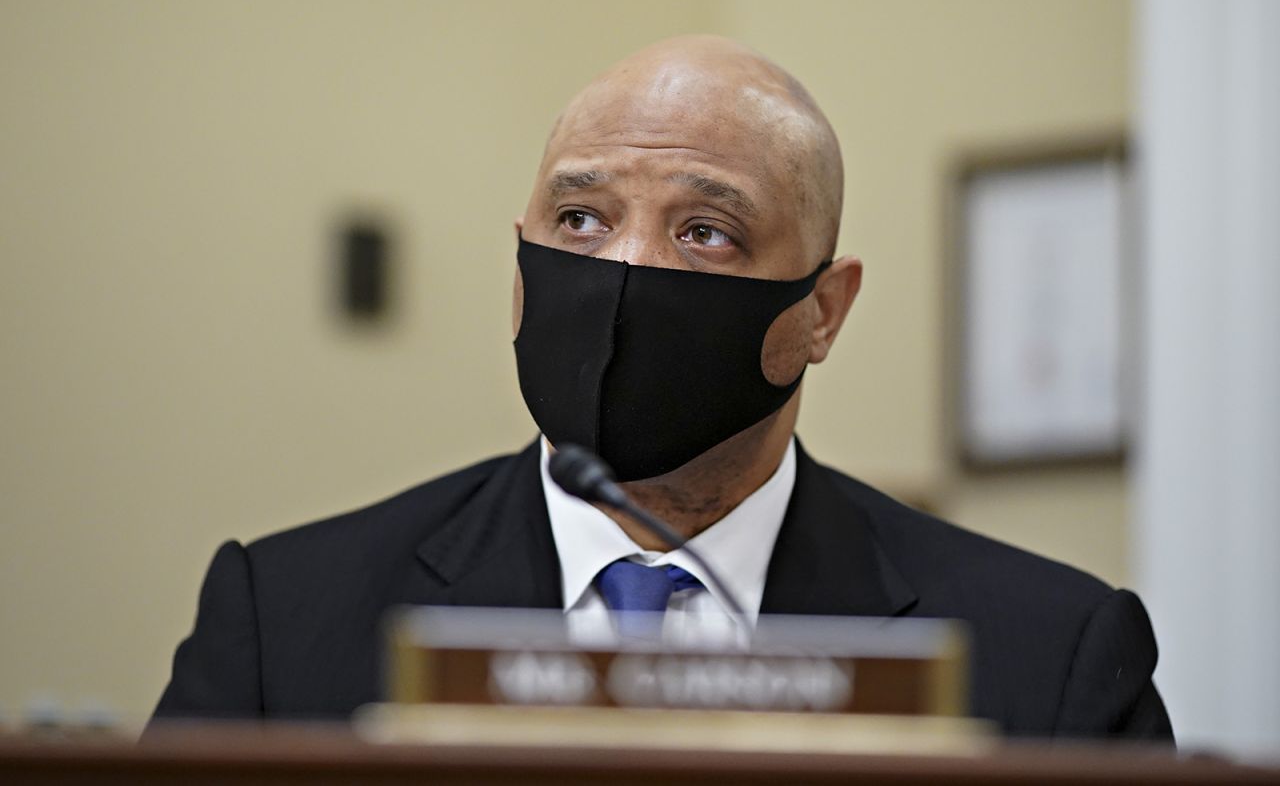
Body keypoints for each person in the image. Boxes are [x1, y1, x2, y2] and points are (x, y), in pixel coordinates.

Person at [153, 36, 1172, 739]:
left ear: (821, 311)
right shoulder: (283, 619)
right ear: (519, 266)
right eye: (582, 220)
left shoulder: (1048, 654)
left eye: (704, 231)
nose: (624, 276)